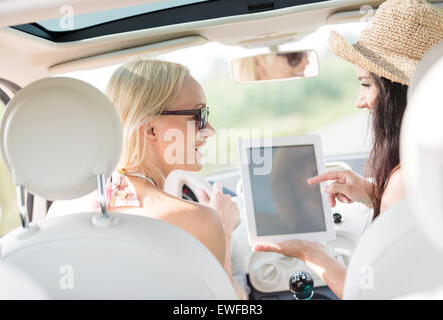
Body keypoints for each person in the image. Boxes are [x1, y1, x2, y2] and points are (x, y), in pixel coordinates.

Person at [253, 0, 443, 299]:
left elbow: (372, 294)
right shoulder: (429, 169)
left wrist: (309, 252)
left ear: (399, 90)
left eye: (366, 84)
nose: (359, 101)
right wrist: (371, 193)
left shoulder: (406, 179)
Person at [48, 59, 240, 280]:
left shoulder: (64, 207)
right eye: (198, 116)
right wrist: (224, 229)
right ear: (151, 129)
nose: (210, 130)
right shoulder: (197, 220)